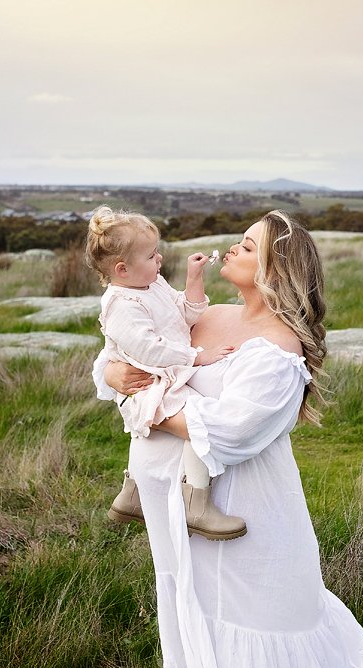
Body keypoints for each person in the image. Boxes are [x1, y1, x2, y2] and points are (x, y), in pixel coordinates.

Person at [94, 210, 363, 668]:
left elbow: (230, 431)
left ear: (275, 270)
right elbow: (123, 349)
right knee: (193, 612)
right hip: (174, 516)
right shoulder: (207, 315)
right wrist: (113, 375)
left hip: (242, 517)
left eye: (248, 247)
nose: (233, 249)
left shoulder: (277, 348)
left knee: (250, 625)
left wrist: (143, 406)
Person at [86, 206, 247, 541]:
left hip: (162, 376)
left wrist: (193, 279)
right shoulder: (120, 303)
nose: (159, 260)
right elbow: (150, 349)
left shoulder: (152, 285)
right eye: (151, 255)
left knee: (183, 422)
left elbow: (185, 314)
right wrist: (196, 357)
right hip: (147, 381)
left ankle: (132, 495)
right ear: (123, 269)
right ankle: (197, 502)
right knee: (199, 421)